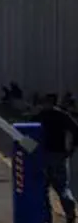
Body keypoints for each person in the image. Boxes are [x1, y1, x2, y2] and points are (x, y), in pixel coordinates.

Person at [33, 93, 78, 223]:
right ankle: (71, 215)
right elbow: (76, 130)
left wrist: (30, 150)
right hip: (60, 155)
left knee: (43, 187)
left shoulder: (40, 116)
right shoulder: (62, 116)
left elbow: (25, 134)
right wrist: (71, 149)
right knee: (63, 187)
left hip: (43, 155)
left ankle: (47, 216)